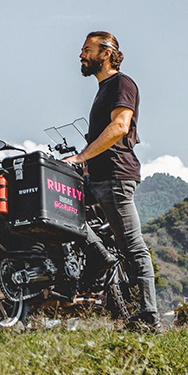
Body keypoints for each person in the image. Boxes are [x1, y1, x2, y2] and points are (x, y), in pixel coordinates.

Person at [63, 31, 161, 331]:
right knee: (63, 211)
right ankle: (102, 258)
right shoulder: (102, 89)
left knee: (132, 245)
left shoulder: (122, 83)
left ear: (106, 53)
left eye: (87, 49)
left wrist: (81, 157)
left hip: (117, 177)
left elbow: (120, 126)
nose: (81, 55)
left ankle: (148, 318)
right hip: (99, 178)